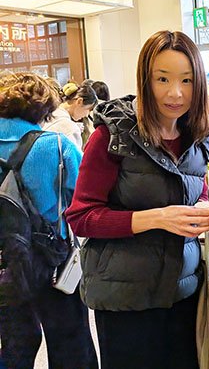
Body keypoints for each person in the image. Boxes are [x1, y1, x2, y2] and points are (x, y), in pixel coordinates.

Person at [65, 30, 209, 369]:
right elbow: (81, 217)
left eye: (187, 80)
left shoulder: (197, 135)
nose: (176, 93)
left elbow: (196, 190)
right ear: (145, 81)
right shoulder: (112, 135)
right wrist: (157, 218)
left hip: (183, 292)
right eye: (162, 79)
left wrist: (202, 211)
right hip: (125, 299)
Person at [0, 73, 98, 369]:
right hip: (51, 260)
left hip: (4, 263)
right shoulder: (55, 145)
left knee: (15, 343)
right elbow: (84, 198)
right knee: (70, 342)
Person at [43, 82, 98, 150]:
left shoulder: (49, 115)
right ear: (79, 101)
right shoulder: (69, 128)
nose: (86, 115)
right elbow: (75, 156)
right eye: (88, 109)